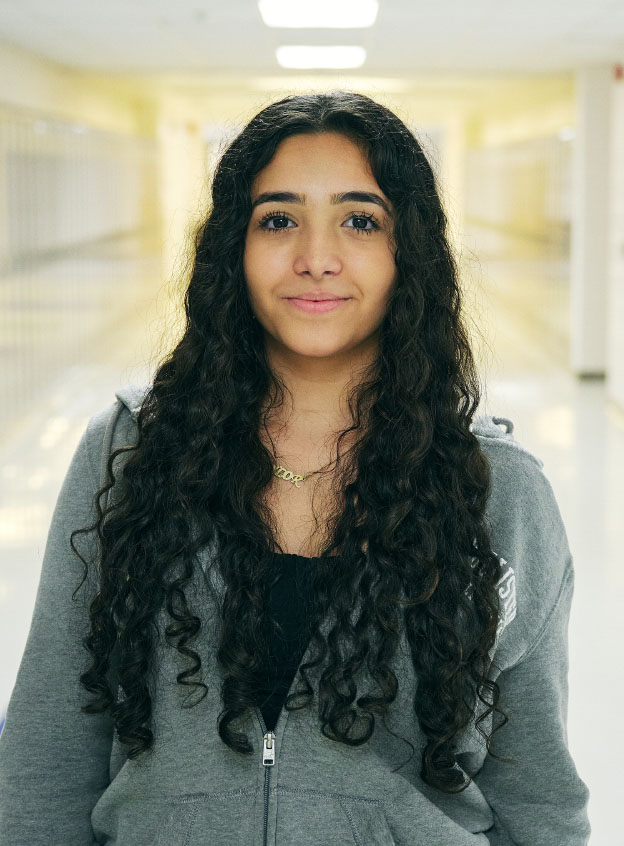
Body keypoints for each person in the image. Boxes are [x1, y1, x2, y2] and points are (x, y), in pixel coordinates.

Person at [0, 90, 590, 845]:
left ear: (407, 249)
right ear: (232, 250)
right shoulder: (132, 452)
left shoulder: (498, 490)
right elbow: (49, 758)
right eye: (278, 219)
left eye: (360, 220)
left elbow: (537, 795)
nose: (317, 258)